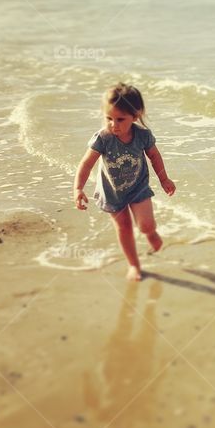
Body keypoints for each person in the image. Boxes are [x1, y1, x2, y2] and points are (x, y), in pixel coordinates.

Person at [73, 83, 176, 280]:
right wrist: (78, 188)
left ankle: (151, 234)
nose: (114, 124)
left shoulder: (142, 135)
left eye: (120, 119)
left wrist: (164, 179)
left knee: (146, 225)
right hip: (112, 192)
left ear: (135, 116)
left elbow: (154, 156)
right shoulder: (103, 138)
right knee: (124, 228)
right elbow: (86, 164)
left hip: (138, 187)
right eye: (109, 118)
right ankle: (134, 265)